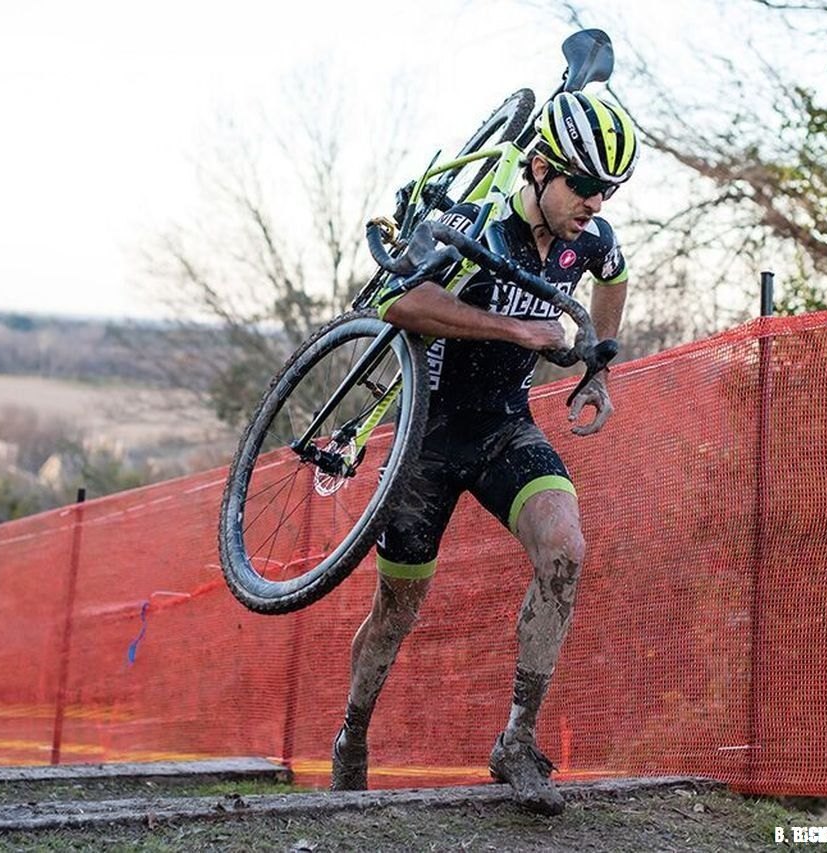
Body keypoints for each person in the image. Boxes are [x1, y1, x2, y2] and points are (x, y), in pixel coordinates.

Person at [330, 91, 639, 815]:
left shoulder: (586, 240)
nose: (596, 202)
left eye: (610, 189)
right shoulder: (473, 222)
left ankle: (517, 740)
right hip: (428, 440)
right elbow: (401, 305)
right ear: (539, 168)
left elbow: (616, 275)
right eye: (585, 185)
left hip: (504, 426)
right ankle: (352, 732)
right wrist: (516, 330)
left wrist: (597, 367)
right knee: (397, 610)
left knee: (565, 547)